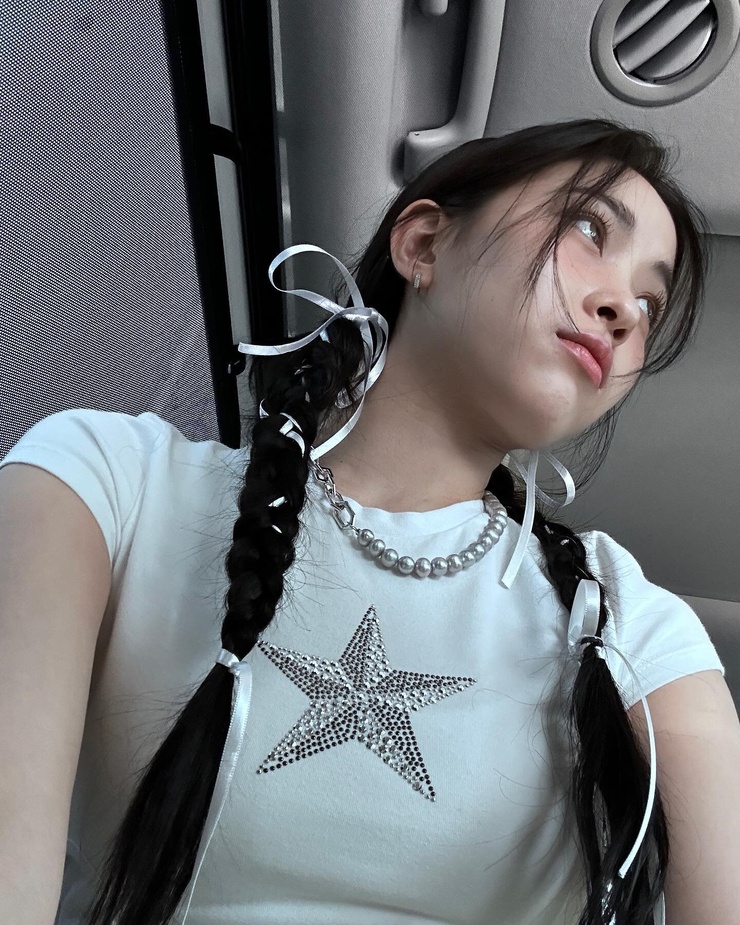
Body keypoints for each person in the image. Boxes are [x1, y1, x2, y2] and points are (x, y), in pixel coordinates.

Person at [0, 119, 738, 925]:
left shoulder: (637, 627)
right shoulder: (107, 483)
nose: (623, 310)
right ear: (423, 244)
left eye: (649, 302)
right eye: (589, 230)